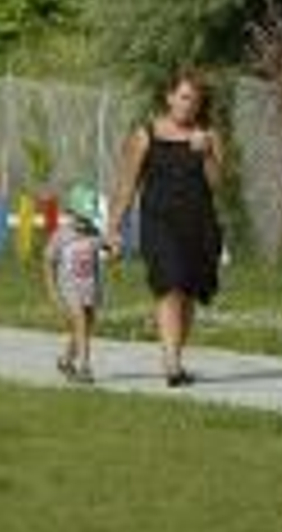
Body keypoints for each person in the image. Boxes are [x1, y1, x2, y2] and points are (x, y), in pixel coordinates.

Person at [106, 69, 224, 387]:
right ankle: (171, 364)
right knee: (169, 285)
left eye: (195, 101)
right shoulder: (146, 134)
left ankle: (176, 358)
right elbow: (127, 184)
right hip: (159, 223)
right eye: (184, 98)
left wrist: (207, 154)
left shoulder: (208, 135)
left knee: (187, 293)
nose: (189, 106)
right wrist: (113, 228)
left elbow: (216, 185)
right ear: (170, 97)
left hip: (199, 224)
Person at [43, 183, 107, 384]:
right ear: (70, 213)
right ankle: (85, 367)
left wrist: (115, 249)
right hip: (70, 289)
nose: (83, 222)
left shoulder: (93, 234)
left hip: (90, 288)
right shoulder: (61, 235)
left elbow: (107, 249)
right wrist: (52, 290)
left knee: (85, 327)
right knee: (79, 323)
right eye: (80, 217)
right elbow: (48, 261)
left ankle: (65, 360)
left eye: (87, 218)